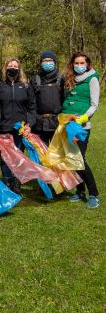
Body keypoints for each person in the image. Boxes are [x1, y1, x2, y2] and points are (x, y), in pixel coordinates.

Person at [62, 52, 100, 209]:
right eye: (76, 63)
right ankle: (80, 191)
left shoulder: (92, 79)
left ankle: (94, 195)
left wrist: (83, 118)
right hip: (67, 124)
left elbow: (94, 104)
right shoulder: (70, 79)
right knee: (72, 160)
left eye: (82, 63)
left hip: (81, 127)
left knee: (80, 160)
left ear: (87, 64)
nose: (79, 66)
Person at [0, 58, 36, 194]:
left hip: (20, 128)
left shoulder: (25, 85)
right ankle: (7, 183)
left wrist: (29, 125)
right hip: (3, 128)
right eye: (10, 65)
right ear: (5, 67)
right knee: (5, 157)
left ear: (19, 69)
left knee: (18, 156)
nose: (12, 68)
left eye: (15, 66)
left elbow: (32, 107)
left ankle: (17, 183)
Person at [30, 51, 65, 144]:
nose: (48, 63)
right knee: (41, 156)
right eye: (45, 61)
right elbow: (31, 103)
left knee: (57, 156)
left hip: (57, 123)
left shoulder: (61, 79)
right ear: (41, 63)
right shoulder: (35, 79)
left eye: (50, 60)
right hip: (39, 124)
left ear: (54, 62)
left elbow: (65, 100)